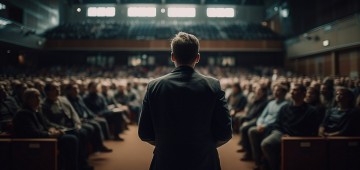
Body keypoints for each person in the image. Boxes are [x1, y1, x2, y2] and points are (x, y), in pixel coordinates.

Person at [138, 32, 232, 170]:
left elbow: (144, 132)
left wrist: (167, 144)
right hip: (204, 161)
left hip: (166, 161)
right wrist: (204, 146)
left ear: (172, 57)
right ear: (197, 57)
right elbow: (225, 133)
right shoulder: (213, 85)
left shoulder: (154, 86)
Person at [12, 88, 79, 170]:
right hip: (35, 143)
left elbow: (47, 124)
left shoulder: (35, 110)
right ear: (28, 100)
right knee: (71, 139)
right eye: (35, 97)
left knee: (73, 134)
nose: (39, 100)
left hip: (45, 138)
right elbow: (34, 134)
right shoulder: (23, 113)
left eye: (39, 97)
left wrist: (51, 128)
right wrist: (51, 134)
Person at [261, 84, 320, 170]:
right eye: (291, 90)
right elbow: (277, 124)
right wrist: (280, 133)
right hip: (282, 133)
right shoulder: (284, 108)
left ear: (303, 94)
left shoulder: (311, 111)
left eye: (295, 90)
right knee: (266, 143)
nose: (292, 92)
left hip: (299, 137)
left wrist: (292, 137)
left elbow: (311, 130)